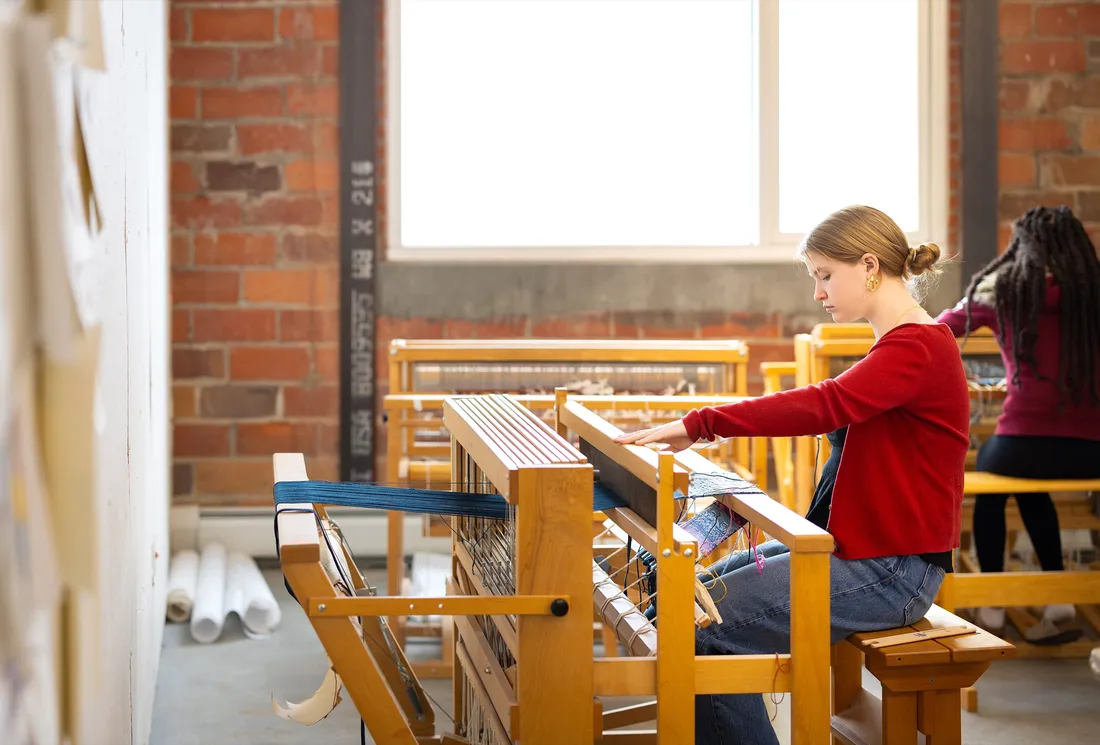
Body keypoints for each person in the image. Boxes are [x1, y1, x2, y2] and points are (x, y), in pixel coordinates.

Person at [614, 204, 971, 745]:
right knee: (683, 598)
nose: (819, 293)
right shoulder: (903, 346)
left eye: (825, 276)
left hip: (893, 570)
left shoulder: (919, 347)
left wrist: (701, 423)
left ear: (869, 265)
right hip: (856, 551)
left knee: (704, 632)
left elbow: (822, 405)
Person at [935, 205, 1100, 642]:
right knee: (1031, 482)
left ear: (1021, 248)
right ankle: (1058, 598)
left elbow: (938, 330)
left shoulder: (1004, 292)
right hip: (1094, 448)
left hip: (1023, 445)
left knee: (998, 480)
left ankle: (991, 605)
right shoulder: (1094, 292)